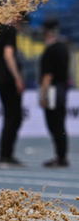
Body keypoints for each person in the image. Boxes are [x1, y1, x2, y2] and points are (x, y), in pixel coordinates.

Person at [0, 13, 26, 168]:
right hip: (8, 79)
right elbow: (8, 55)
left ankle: (5, 154)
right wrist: (18, 78)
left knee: (10, 116)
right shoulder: (10, 31)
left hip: (0, 78)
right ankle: (5, 155)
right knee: (14, 117)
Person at [38, 19, 70, 168]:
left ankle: (60, 157)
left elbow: (47, 76)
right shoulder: (64, 48)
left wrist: (43, 95)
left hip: (52, 90)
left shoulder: (50, 50)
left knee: (54, 124)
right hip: (62, 88)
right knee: (60, 124)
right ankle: (62, 156)